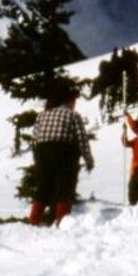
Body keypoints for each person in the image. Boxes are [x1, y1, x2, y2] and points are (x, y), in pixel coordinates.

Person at [28, 83, 94, 226]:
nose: (74, 105)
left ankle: (33, 221)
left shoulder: (42, 115)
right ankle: (62, 222)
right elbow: (82, 139)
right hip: (64, 152)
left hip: (42, 152)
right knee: (65, 188)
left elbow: (35, 138)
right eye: (73, 102)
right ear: (68, 101)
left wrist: (38, 159)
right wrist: (88, 159)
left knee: (43, 187)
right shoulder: (72, 115)